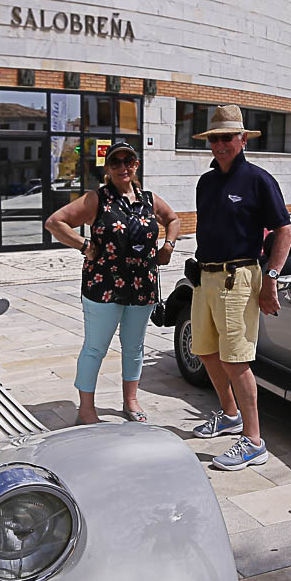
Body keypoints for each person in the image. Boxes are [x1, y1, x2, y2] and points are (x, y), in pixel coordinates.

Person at [46, 141, 180, 425]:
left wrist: (168, 245)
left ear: (136, 164)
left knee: (134, 346)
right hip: (103, 286)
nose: (123, 167)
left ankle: (130, 401)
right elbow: (55, 222)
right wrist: (84, 245)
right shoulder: (98, 198)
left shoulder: (149, 199)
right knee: (95, 347)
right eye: (116, 162)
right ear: (107, 168)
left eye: (128, 161)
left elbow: (173, 219)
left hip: (142, 285)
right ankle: (85, 411)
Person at [189, 105, 291, 470]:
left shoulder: (258, 180)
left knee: (236, 361)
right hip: (205, 277)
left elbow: (284, 230)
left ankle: (253, 441)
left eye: (227, 137)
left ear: (243, 139)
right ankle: (230, 415)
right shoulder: (206, 182)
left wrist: (272, 278)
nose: (219, 144)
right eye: (214, 138)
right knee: (204, 351)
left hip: (239, 277)